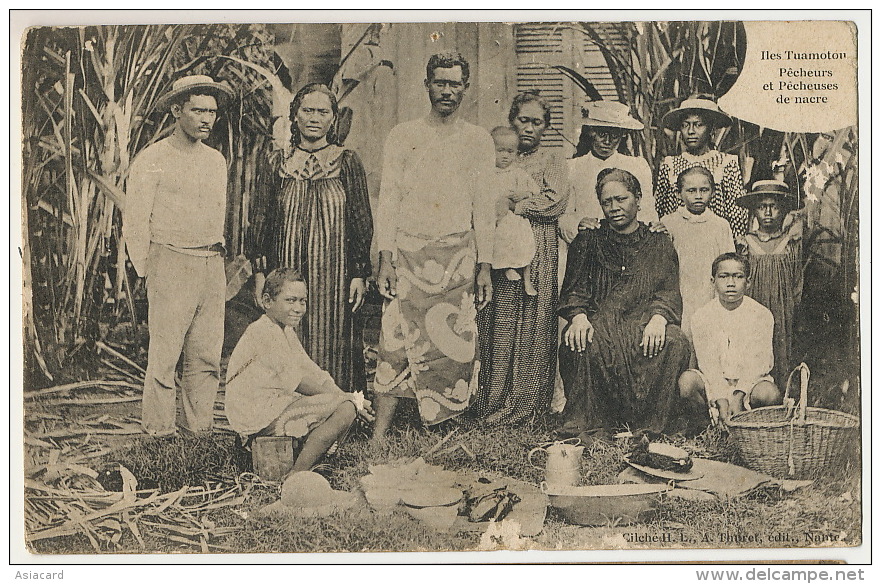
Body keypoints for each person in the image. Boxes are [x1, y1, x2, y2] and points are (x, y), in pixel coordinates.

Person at [372, 52, 495, 440]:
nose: (447, 91)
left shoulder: (477, 140)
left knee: (455, 345)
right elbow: (388, 198)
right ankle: (380, 433)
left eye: (455, 84)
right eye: (440, 83)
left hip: (458, 256)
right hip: (407, 254)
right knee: (393, 339)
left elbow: (484, 207)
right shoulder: (404, 135)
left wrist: (485, 265)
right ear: (427, 85)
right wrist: (385, 258)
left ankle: (446, 428)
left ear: (465, 88)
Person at [124, 75, 233, 437]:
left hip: (210, 263)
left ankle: (197, 432)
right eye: (197, 110)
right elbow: (136, 219)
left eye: (212, 112)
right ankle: (159, 432)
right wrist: (146, 270)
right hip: (170, 261)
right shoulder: (153, 158)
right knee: (165, 355)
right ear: (176, 110)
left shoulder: (216, 161)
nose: (206, 119)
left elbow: (216, 215)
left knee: (205, 355)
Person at [556, 168, 691, 442]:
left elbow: (667, 291)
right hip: (601, 324)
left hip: (642, 323)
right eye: (607, 202)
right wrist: (578, 317)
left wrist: (659, 318)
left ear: (638, 199)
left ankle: (649, 423)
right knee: (576, 341)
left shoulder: (658, 242)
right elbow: (574, 290)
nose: (615, 208)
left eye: (622, 199)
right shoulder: (588, 240)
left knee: (675, 341)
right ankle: (596, 421)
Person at [257, 83, 373, 394]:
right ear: (294, 116)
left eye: (323, 112)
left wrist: (359, 273)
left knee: (333, 336)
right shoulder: (275, 162)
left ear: (334, 119)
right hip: (286, 271)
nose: (314, 118)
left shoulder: (347, 161)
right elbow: (262, 221)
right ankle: (288, 413)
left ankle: (338, 412)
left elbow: (361, 222)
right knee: (287, 335)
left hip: (334, 277)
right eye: (307, 110)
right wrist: (261, 273)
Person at [473, 91, 568, 425]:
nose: (529, 128)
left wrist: (515, 206)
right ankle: (491, 401)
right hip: (497, 248)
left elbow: (555, 203)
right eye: (523, 120)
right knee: (497, 321)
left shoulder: (552, 161)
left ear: (545, 127)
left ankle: (525, 406)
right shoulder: (494, 157)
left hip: (537, 247)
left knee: (533, 322)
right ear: (511, 121)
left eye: (537, 122)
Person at [225, 268, 373, 472]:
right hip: (256, 415)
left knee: (345, 404)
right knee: (345, 409)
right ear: (267, 301)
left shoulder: (284, 330)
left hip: (271, 406)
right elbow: (299, 382)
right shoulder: (264, 332)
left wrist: (347, 397)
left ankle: (311, 458)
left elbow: (312, 371)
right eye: (290, 300)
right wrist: (350, 399)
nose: (298, 308)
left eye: (302, 301)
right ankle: (298, 473)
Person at [679, 253, 781, 426]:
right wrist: (721, 398)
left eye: (738, 277)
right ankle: (708, 425)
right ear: (713, 281)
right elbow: (708, 364)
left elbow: (758, 363)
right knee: (686, 383)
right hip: (714, 382)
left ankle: (750, 426)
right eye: (723, 276)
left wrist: (738, 395)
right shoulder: (702, 316)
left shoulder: (761, 315)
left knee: (769, 393)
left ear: (748, 282)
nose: (731, 283)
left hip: (749, 384)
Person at [735, 180, 804, 385]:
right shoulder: (745, 242)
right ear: (754, 211)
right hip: (753, 304)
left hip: (782, 309)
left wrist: (791, 307)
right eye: (761, 207)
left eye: (773, 207)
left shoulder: (790, 242)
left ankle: (781, 395)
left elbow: (797, 280)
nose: (767, 213)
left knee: (780, 347)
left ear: (782, 210)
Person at [561, 100, 657, 243]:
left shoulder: (637, 166)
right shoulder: (572, 168)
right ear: (590, 132)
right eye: (602, 134)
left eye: (614, 135)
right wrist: (579, 224)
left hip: (628, 246)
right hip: (588, 247)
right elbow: (564, 216)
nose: (607, 141)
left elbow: (647, 211)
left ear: (623, 134)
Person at [655, 96, 750, 237]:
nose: (691, 131)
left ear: (711, 129)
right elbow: (659, 209)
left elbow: (737, 213)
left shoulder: (726, 162)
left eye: (698, 125)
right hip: (678, 241)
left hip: (714, 239)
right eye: (685, 125)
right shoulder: (670, 164)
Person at [661, 166, 735, 337]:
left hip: (709, 296)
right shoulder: (668, 223)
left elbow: (728, 266)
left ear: (713, 192)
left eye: (704, 190)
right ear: (679, 193)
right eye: (691, 190)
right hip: (680, 296)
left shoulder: (720, 225)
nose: (698, 196)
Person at [490, 126, 540, 296]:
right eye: (500, 151)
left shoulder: (518, 173)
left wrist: (523, 194)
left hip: (515, 217)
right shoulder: (487, 173)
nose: (505, 156)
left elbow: (535, 190)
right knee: (500, 237)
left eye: (510, 152)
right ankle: (507, 267)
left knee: (524, 240)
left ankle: (527, 279)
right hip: (496, 217)